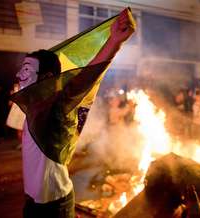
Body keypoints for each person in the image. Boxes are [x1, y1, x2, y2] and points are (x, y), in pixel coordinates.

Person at [13, 9, 135, 218]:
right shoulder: (33, 106)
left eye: (26, 70)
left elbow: (80, 82)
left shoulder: (51, 108)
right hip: (34, 202)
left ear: (47, 78)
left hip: (53, 206)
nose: (18, 74)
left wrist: (114, 42)